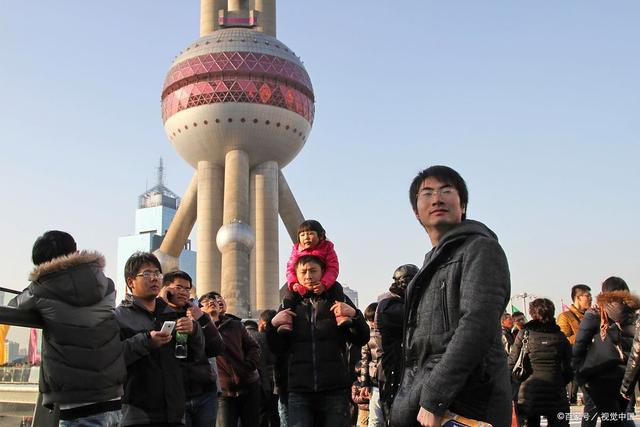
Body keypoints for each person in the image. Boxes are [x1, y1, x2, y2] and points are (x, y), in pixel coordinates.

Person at [390, 165, 512, 427]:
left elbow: (476, 324)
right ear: (416, 212)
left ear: (463, 204)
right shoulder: (430, 266)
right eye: (427, 193)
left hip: (465, 406)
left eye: (446, 190)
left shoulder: (480, 249)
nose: (437, 199)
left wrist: (435, 397)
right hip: (425, 403)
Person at [9, 230, 125, 426]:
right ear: (76, 252)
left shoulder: (41, 289)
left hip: (77, 402)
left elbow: (13, 306)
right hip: (113, 396)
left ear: (41, 265)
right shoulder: (107, 285)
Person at [267, 255, 370, 427]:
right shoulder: (289, 305)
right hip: (299, 390)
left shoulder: (337, 300)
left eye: (313, 270)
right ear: (296, 275)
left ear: (323, 272)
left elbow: (362, 337)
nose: (308, 276)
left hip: (334, 388)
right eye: (303, 272)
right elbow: (277, 348)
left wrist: (355, 315)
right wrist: (272, 326)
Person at [116, 251, 197, 426]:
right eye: (147, 274)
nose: (154, 278)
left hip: (174, 413)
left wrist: (194, 332)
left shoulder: (170, 314)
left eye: (157, 274)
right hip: (138, 414)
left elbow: (195, 356)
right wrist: (146, 341)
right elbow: (111, 358)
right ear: (131, 282)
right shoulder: (119, 317)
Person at [161, 270, 225, 427]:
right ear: (166, 288)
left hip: (205, 393)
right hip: (175, 395)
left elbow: (216, 348)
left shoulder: (195, 314)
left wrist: (202, 319)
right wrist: (161, 302)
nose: (184, 292)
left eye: (187, 288)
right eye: (179, 287)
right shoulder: (157, 312)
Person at [572, 276, 638, 426]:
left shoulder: (596, 314)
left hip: (600, 376)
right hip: (626, 376)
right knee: (621, 417)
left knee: (610, 418)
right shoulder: (633, 314)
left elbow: (579, 346)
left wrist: (580, 374)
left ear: (604, 293)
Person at [508, 298, 572, 427]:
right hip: (556, 391)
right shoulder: (560, 336)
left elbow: (512, 362)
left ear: (532, 313)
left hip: (529, 390)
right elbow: (569, 367)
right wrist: (560, 380)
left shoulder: (524, 334)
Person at [202, 291, 261, 427]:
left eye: (217, 299)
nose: (213, 301)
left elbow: (254, 347)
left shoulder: (236, 325)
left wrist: (249, 366)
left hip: (249, 385)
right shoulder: (199, 330)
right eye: (207, 301)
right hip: (223, 391)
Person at [279, 220, 349, 332]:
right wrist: (294, 284)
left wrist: (324, 284)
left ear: (321, 235)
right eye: (302, 235)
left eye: (310, 233)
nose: (306, 237)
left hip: (324, 283)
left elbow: (333, 268)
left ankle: (341, 315)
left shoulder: (327, 248)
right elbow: (290, 269)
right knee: (288, 297)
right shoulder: (296, 250)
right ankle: (285, 320)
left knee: (337, 288)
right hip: (300, 287)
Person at [375, 264, 418, 421]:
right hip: (392, 374)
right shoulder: (389, 305)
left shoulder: (401, 302)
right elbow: (416, 318)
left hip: (406, 373)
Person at [557, 284, 594, 416]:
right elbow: (563, 340)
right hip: (579, 362)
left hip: (594, 361)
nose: (590, 298)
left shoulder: (592, 315)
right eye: (587, 296)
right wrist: (585, 333)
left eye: (591, 296)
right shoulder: (565, 316)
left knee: (594, 402)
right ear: (578, 298)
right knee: (591, 401)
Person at [246, 311, 281, 427]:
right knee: (274, 415)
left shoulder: (250, 337)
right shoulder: (279, 338)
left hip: (256, 384)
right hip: (275, 384)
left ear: (262, 324)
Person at [360, 302, 383, 427]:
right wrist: (364, 383)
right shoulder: (367, 335)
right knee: (375, 420)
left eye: (372, 319)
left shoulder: (391, 332)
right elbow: (365, 360)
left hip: (389, 380)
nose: (371, 323)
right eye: (368, 320)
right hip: (375, 381)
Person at [352, 361, 370, 427]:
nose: (359, 377)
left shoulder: (369, 383)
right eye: (358, 375)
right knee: (363, 424)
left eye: (361, 375)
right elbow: (354, 398)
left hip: (371, 407)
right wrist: (364, 398)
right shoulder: (355, 384)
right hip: (363, 409)